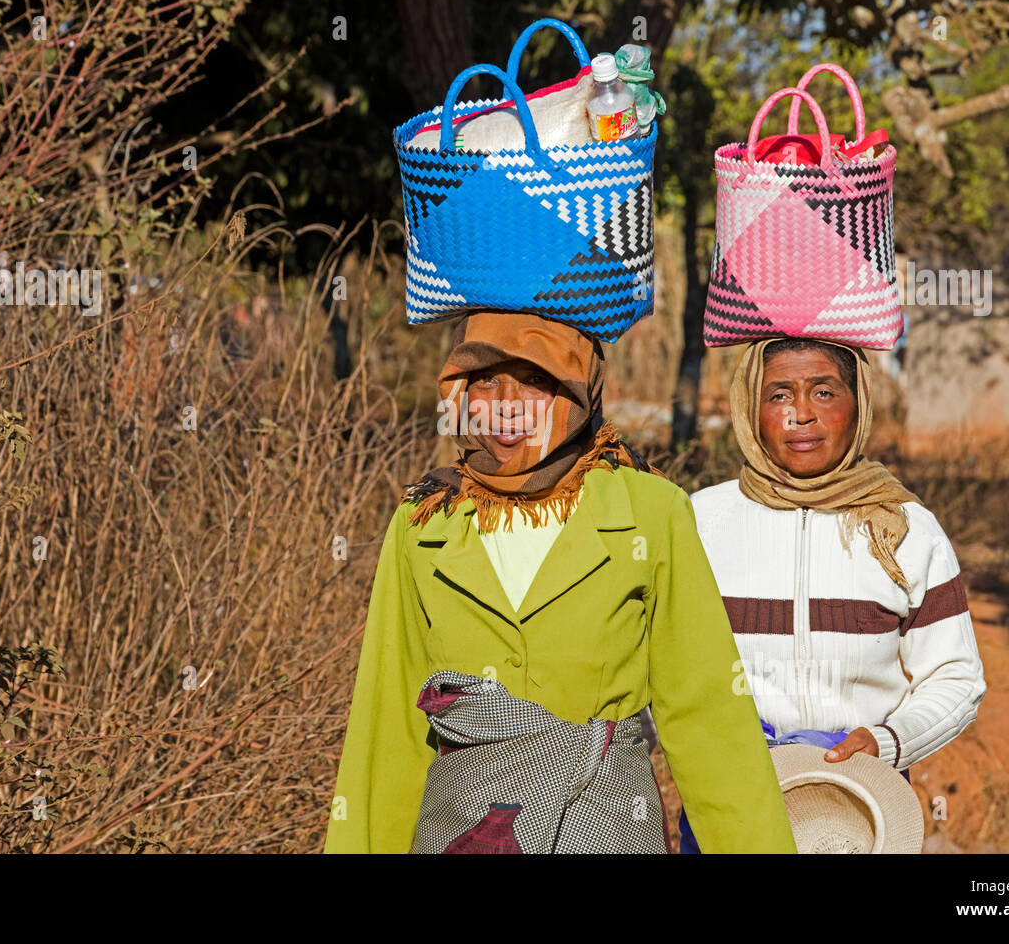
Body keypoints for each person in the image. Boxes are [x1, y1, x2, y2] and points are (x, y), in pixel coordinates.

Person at [324, 311, 797, 854]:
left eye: (537, 379)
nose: (507, 402)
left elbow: (709, 715)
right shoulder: (423, 524)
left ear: (581, 387)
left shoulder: (649, 511)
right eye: (485, 380)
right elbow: (387, 729)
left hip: (608, 825)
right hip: (460, 831)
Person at [678, 336, 986, 852]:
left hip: (856, 802)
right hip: (729, 796)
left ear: (858, 404)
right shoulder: (698, 522)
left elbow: (956, 677)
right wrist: (705, 744)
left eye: (824, 392)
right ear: (749, 407)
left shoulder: (906, 529)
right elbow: (659, 663)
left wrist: (889, 742)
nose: (801, 414)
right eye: (778, 394)